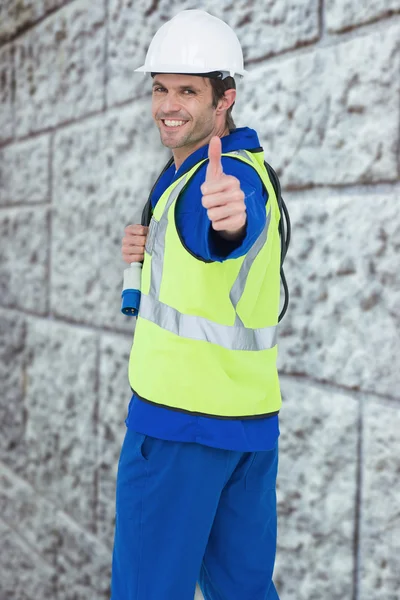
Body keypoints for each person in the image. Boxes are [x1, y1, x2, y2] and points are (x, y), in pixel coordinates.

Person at [111, 9, 285, 600]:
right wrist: (143, 256)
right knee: (244, 593)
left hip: (179, 430)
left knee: (147, 590)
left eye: (188, 91)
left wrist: (228, 225)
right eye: (160, 88)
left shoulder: (223, 184)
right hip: (250, 429)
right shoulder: (234, 170)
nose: (168, 104)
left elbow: (225, 229)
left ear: (224, 99)